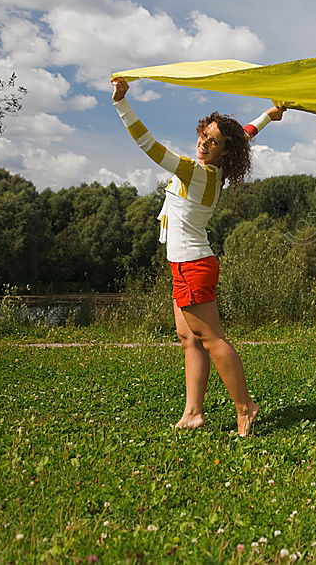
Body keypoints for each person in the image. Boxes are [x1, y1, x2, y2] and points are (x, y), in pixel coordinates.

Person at [110, 77, 285, 436]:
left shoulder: (197, 171)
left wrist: (121, 103)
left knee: (211, 338)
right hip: (184, 262)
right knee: (189, 338)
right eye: (204, 136)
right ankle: (193, 413)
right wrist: (269, 114)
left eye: (213, 142)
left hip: (193, 264)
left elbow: (149, 145)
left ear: (224, 151)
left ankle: (245, 408)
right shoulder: (217, 166)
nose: (204, 145)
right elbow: (246, 134)